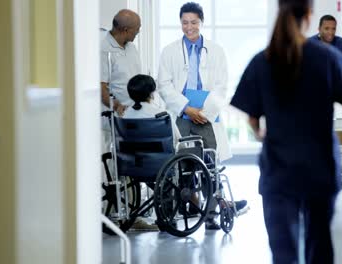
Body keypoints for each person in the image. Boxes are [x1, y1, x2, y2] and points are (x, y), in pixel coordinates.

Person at [230, 0, 342, 263]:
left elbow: (253, 118)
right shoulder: (327, 58)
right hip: (319, 167)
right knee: (319, 247)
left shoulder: (263, 60)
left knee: (283, 253)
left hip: (278, 170)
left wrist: (261, 133)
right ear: (310, 15)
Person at [157, 2, 248, 230]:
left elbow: (221, 86)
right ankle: (192, 205)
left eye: (194, 22)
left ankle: (211, 214)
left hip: (208, 116)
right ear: (180, 23)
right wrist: (187, 109)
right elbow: (164, 84)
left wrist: (204, 113)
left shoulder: (216, 51)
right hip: (182, 115)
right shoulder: (169, 51)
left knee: (211, 164)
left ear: (201, 22)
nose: (189, 27)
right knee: (185, 165)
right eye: (185, 23)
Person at [100, 9, 158, 231]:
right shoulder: (103, 49)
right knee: (118, 168)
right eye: (137, 29)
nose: (139, 32)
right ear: (124, 30)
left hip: (137, 115)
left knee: (134, 164)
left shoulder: (132, 49)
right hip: (116, 118)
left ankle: (134, 215)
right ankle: (117, 216)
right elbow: (101, 86)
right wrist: (116, 106)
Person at [124, 74, 182, 144]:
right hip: (162, 154)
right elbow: (178, 141)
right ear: (151, 94)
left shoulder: (126, 115)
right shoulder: (164, 116)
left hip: (133, 154)